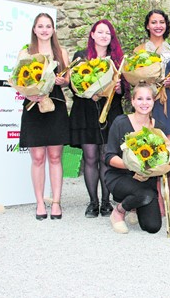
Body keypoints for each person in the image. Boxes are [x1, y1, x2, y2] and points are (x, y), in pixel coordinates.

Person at [134, 9, 170, 217]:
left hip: (169, 103)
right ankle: (156, 199)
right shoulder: (140, 50)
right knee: (150, 150)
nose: (158, 25)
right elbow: (133, 76)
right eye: (154, 22)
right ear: (147, 25)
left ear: (166, 25)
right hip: (148, 103)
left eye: (161, 22)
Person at [70, 19, 124, 218]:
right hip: (86, 112)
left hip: (110, 113)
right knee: (90, 157)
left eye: (107, 33)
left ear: (111, 38)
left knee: (105, 158)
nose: (103, 36)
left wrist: (119, 88)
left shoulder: (117, 60)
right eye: (100, 32)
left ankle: (106, 202)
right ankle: (92, 201)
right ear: (92, 35)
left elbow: (124, 89)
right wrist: (86, 91)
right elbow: (72, 85)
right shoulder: (80, 57)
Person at [19, 13, 70, 220]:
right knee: (38, 158)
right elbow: (18, 79)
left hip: (55, 105)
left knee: (55, 157)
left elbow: (68, 80)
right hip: (33, 106)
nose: (44, 30)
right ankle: (40, 202)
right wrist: (29, 92)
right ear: (34, 29)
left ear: (53, 30)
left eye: (48, 26)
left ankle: (56, 202)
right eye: (40, 26)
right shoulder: (26, 51)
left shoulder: (61, 51)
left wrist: (61, 82)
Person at [105, 83, 163, 234]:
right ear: (132, 101)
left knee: (153, 227)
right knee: (145, 194)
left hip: (145, 180)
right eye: (140, 98)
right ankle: (119, 211)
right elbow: (109, 157)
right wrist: (133, 165)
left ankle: (134, 207)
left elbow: (163, 158)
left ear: (154, 101)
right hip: (120, 176)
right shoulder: (120, 122)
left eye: (148, 99)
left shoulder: (158, 128)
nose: (144, 103)